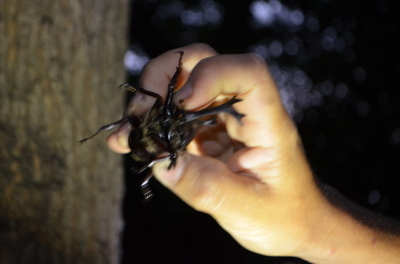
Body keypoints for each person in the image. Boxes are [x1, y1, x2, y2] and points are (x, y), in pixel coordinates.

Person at [107, 43, 400, 263]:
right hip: (150, 140)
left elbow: (171, 114)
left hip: (162, 141)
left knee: (174, 112)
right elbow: (162, 98)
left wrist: (315, 231)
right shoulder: (167, 117)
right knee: (167, 102)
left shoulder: (182, 127)